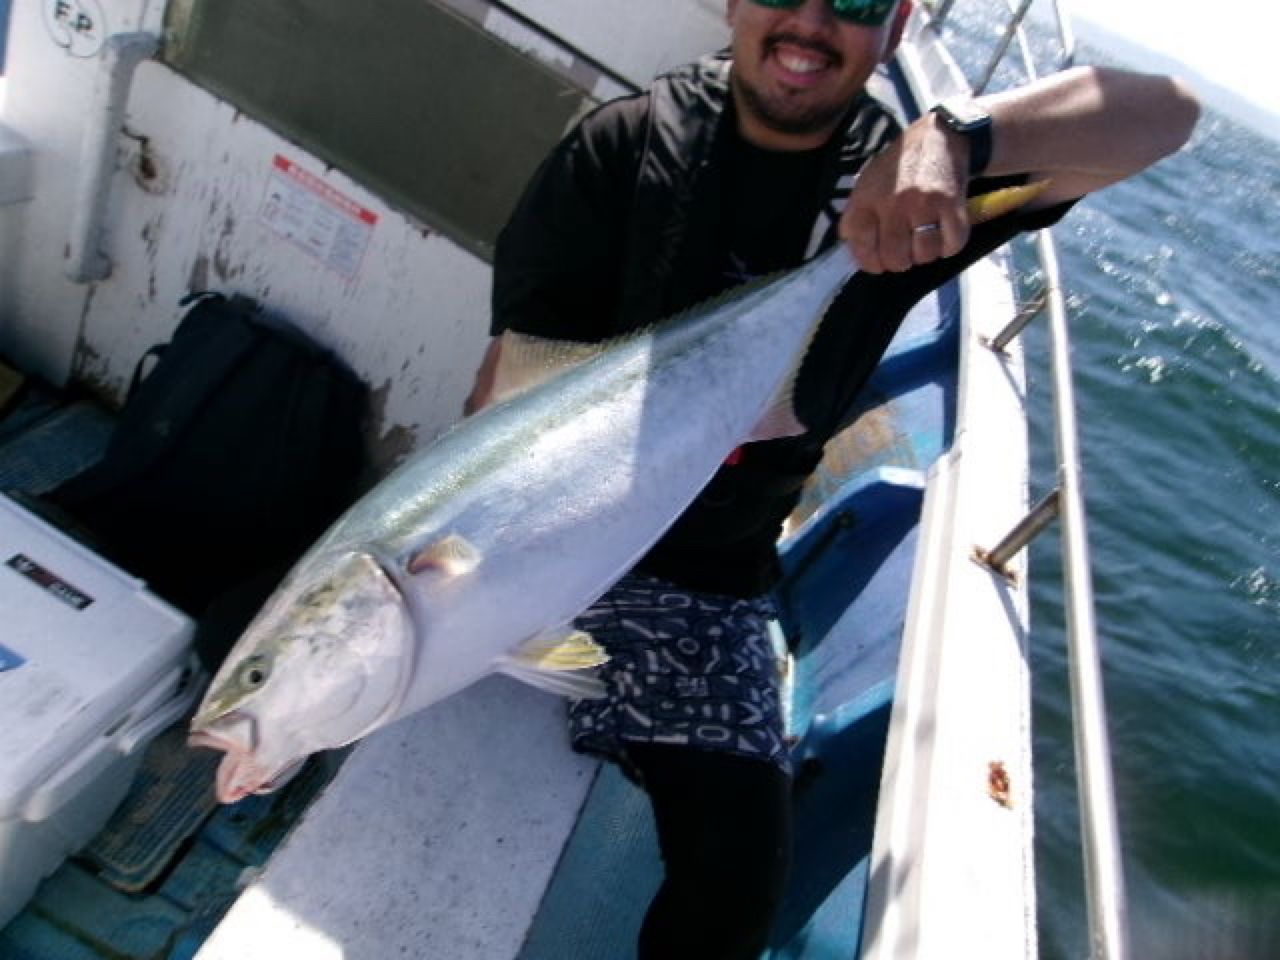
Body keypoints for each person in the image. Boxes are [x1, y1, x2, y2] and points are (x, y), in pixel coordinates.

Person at [467, 1, 1199, 956]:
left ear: (898, 22)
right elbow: (504, 399)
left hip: (707, 583)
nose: (811, 21)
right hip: (550, 539)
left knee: (739, 877)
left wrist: (960, 139)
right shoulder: (625, 146)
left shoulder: (905, 200)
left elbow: (1168, 113)